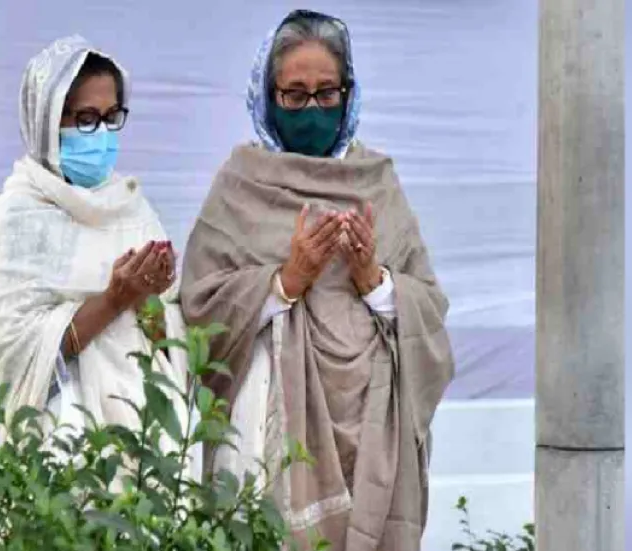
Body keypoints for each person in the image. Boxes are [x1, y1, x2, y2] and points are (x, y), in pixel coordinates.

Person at [179, 11, 454, 550]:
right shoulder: (239, 186)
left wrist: (374, 280)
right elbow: (198, 311)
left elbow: (430, 311)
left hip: (375, 424)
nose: (311, 110)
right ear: (268, 96)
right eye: (295, 95)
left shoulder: (377, 182)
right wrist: (284, 281)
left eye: (327, 94)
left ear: (349, 95)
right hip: (271, 429)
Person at [0, 36, 197, 480]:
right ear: (45, 119)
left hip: (147, 435)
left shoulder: (131, 206)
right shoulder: (19, 215)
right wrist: (114, 300)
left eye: (111, 117)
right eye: (84, 119)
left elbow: (165, 339)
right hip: (62, 448)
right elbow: (21, 352)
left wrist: (148, 298)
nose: (100, 133)